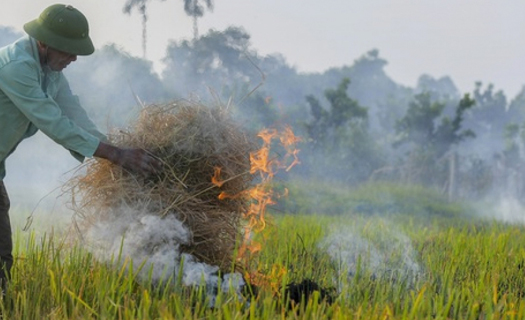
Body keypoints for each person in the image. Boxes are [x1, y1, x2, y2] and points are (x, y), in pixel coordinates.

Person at [0, 4, 162, 291]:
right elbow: (54, 122)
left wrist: (117, 148)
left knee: (1, 256)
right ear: (45, 43)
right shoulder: (17, 67)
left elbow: (74, 113)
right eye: (68, 50)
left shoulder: (50, 71)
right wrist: (114, 155)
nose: (74, 58)